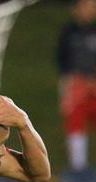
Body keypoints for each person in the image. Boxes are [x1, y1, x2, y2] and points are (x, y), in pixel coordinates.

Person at [57, 0, 96, 170]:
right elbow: (62, 61)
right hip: (77, 86)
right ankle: (78, 169)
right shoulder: (68, 32)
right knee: (75, 123)